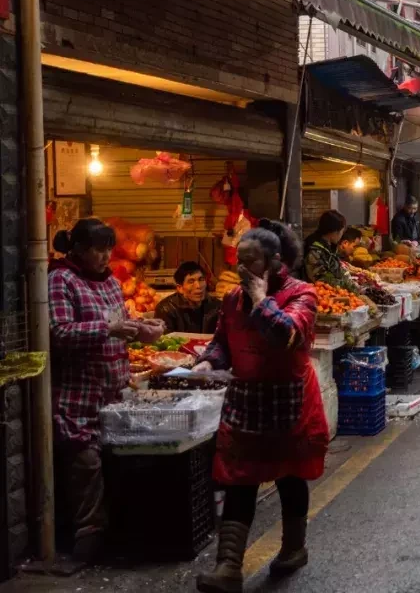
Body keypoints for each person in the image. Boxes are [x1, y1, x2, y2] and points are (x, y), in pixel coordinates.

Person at [193, 220, 329, 593]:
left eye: (250, 261)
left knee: (289, 475)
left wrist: (260, 299)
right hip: (246, 398)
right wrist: (208, 361)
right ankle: (229, 567)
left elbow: (287, 334)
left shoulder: (303, 294)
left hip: (290, 400)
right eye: (239, 260)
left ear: (273, 262)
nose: (241, 269)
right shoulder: (232, 299)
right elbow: (222, 341)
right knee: (239, 477)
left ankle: (293, 547)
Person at [49, 218, 165, 562]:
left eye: (108, 249)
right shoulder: (61, 280)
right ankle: (85, 545)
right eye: (98, 250)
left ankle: (112, 539)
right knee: (85, 467)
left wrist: (142, 329)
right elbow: (59, 332)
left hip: (114, 395)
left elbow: (119, 326)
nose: (105, 256)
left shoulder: (112, 282)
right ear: (79, 250)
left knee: (115, 467)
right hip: (77, 397)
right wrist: (109, 328)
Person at [155, 261, 222, 334]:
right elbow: (164, 341)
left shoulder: (217, 306)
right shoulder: (166, 309)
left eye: (201, 279)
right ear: (180, 288)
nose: (198, 286)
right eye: (191, 281)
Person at [304, 210, 361, 294]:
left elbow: (337, 270)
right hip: (321, 297)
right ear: (335, 231)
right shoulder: (315, 250)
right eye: (342, 231)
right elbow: (322, 281)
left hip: (333, 293)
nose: (342, 234)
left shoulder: (328, 246)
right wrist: (350, 287)